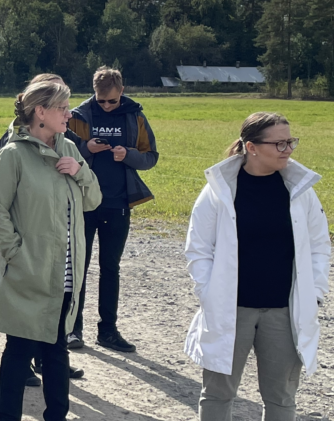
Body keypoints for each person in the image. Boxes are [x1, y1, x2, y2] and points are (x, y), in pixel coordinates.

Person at [184, 112, 330, 421]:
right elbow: (198, 249)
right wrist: (209, 294)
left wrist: (314, 293)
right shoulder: (219, 190)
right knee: (218, 394)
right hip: (231, 310)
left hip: (284, 312)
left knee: (281, 398)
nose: (288, 149)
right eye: (279, 143)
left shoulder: (301, 191)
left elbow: (319, 246)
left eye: (290, 141)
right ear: (251, 147)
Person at [0, 81, 101, 421]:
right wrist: (16, 254)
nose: (69, 113)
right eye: (63, 107)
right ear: (40, 112)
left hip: (65, 275)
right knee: (18, 354)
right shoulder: (13, 154)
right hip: (27, 272)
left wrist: (79, 172)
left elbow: (94, 200)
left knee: (56, 351)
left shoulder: (69, 149)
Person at [67, 66, 158, 352]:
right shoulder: (79, 115)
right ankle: (72, 330)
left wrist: (128, 155)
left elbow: (151, 156)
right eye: (101, 100)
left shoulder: (135, 116)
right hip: (83, 202)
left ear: (122, 92)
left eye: (112, 101)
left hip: (118, 203)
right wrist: (86, 148)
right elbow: (61, 150)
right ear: (93, 92)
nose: (106, 105)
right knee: (77, 268)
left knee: (110, 268)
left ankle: (107, 330)